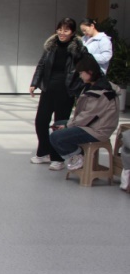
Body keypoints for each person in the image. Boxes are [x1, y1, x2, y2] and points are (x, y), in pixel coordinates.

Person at [29, 18, 87, 171]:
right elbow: (41, 65)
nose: (62, 33)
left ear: (72, 32)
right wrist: (34, 83)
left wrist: (78, 89)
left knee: (59, 124)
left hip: (66, 90)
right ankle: (44, 152)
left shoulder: (78, 49)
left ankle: (57, 158)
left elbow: (85, 70)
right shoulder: (51, 46)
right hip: (48, 88)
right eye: (60, 29)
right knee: (41, 121)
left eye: (66, 30)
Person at [49, 54, 119, 170]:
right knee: (55, 126)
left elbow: (88, 116)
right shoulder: (93, 86)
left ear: (90, 72)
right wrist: (68, 125)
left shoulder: (102, 92)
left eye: (81, 73)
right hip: (91, 126)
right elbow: (87, 116)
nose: (80, 76)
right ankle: (77, 155)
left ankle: (79, 156)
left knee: (56, 136)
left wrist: (67, 125)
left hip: (97, 130)